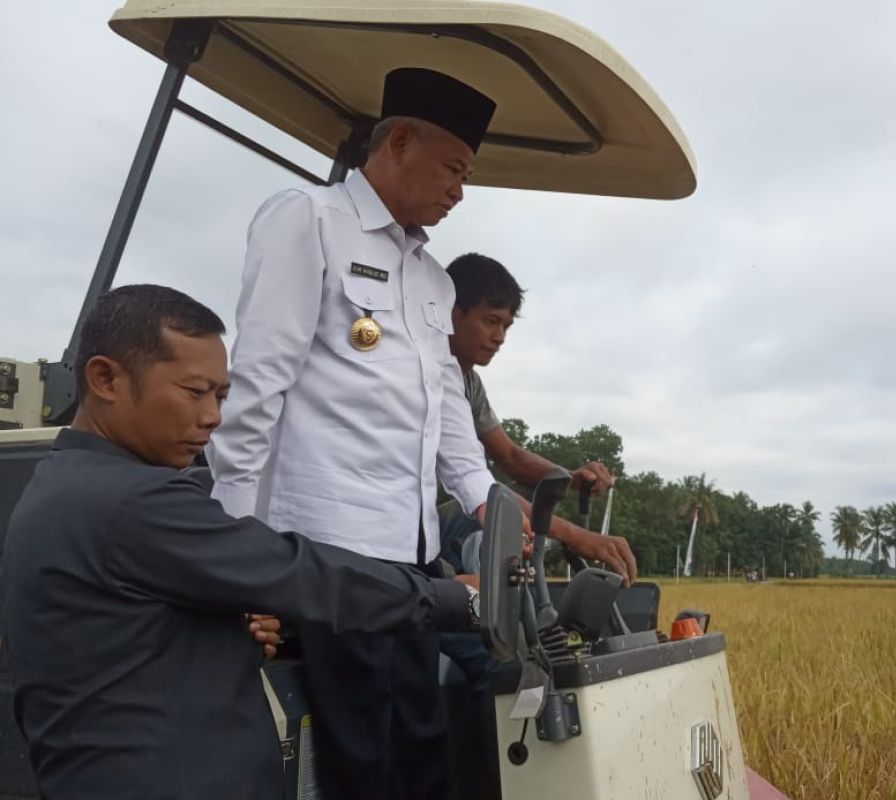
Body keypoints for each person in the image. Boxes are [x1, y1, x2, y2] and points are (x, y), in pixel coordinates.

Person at [0, 285, 479, 800]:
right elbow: (296, 571)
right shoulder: (130, 500)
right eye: (193, 391)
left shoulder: (67, 484)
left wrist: (225, 629)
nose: (212, 417)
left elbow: (126, 642)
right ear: (105, 378)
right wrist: (457, 599)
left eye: (221, 396)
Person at [206, 68, 500, 799]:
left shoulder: (432, 278)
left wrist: (484, 495)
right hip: (327, 548)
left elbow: (444, 402)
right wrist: (235, 554)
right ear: (399, 141)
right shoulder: (307, 220)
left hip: (410, 555)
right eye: (453, 168)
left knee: (423, 741)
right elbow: (257, 388)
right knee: (359, 756)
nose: (460, 190)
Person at [437, 252, 636, 584]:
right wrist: (577, 537)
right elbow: (480, 486)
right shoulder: (431, 370)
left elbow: (511, 457)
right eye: (490, 321)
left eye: (506, 326)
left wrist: (571, 478)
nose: (500, 337)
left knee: (515, 508)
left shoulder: (468, 381)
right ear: (453, 313)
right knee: (479, 516)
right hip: (406, 521)